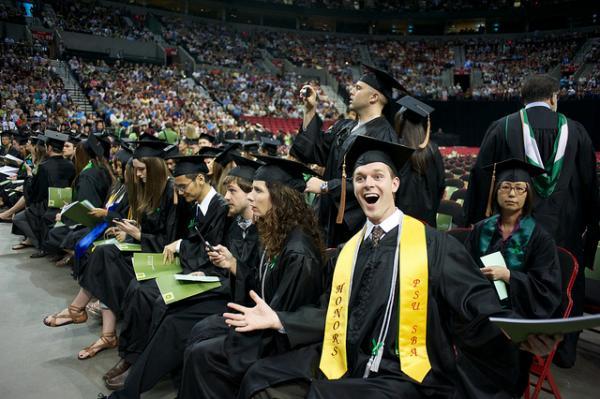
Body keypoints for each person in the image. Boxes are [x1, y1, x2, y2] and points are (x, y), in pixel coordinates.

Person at [230, 136, 560, 399]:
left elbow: (475, 300)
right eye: (359, 178)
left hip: (405, 370)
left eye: (377, 176)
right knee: (260, 377)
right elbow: (330, 310)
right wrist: (280, 319)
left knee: (322, 393)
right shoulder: (349, 251)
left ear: (395, 185)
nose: (367, 184)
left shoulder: (433, 245)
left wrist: (519, 331)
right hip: (347, 353)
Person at [464, 74, 600, 367]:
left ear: (521, 99)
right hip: (565, 231)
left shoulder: (503, 127)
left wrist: (476, 225)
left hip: (512, 234)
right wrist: (589, 227)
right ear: (554, 97)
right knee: (564, 284)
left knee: (506, 286)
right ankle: (562, 353)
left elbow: (480, 180)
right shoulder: (576, 131)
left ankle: (509, 343)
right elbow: (590, 185)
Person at [103, 155, 262, 397]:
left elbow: (245, 274)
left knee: (163, 304)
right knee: (144, 290)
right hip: (211, 278)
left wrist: (225, 266)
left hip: (231, 295)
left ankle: (142, 371)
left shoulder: (238, 219)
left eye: (232, 191)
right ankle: (139, 363)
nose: (226, 196)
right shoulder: (235, 220)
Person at [177, 155, 326, 399]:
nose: (250, 197)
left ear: (279, 197)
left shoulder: (298, 251)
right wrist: (234, 265)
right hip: (262, 325)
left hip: (279, 342)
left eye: (257, 190)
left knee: (202, 354)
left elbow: (284, 316)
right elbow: (260, 286)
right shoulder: (276, 233)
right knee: (200, 334)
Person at [42, 136, 179, 360]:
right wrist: (131, 229)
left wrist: (139, 235)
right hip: (144, 245)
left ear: (156, 169)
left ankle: (82, 314)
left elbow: (172, 239)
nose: (137, 175)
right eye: (135, 170)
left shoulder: (172, 193)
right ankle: (103, 331)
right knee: (104, 252)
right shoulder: (149, 190)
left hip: (161, 257)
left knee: (107, 260)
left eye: (142, 170)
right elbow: (149, 226)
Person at [460, 158, 562, 397]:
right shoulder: (481, 230)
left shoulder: (540, 238)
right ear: (496, 191)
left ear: (528, 195)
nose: (511, 194)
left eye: (519, 188)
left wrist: (510, 276)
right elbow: (461, 273)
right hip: (478, 314)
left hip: (515, 319)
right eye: (505, 187)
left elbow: (548, 289)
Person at [291, 65, 405, 246]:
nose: (352, 91)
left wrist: (327, 186)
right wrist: (310, 110)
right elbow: (312, 151)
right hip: (327, 215)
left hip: (352, 225)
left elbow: (373, 184)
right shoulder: (345, 127)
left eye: (358, 88)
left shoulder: (384, 136)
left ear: (374, 97)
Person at [12, 130, 75, 257]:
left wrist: (29, 177)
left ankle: (41, 244)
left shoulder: (44, 167)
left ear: (49, 147)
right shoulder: (70, 165)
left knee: (18, 218)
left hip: (47, 206)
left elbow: (36, 193)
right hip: (66, 204)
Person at [393, 96, 445, 227]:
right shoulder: (433, 150)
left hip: (399, 223)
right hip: (427, 223)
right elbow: (440, 186)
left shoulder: (396, 150)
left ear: (400, 123)